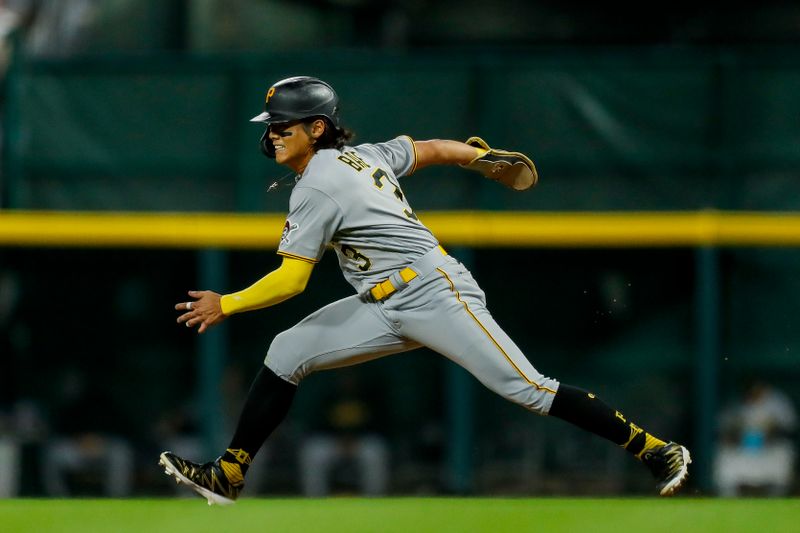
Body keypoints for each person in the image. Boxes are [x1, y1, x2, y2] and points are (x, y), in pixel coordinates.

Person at [159, 76, 691, 504]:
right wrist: (476, 157)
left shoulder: (321, 183)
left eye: (283, 126)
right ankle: (228, 473)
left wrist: (226, 302)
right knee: (286, 351)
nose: (272, 134)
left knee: (526, 388)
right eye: (270, 126)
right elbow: (427, 148)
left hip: (435, 293)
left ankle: (655, 450)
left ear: (317, 127)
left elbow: (292, 280)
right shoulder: (362, 155)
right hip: (381, 302)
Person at [714, 379, 797, 496]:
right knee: (724, 453)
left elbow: (789, 428)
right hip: (742, 448)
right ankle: (727, 496)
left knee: (784, 452)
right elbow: (724, 428)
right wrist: (735, 435)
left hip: (770, 448)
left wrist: (771, 432)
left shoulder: (778, 402)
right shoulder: (737, 404)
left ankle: (778, 496)